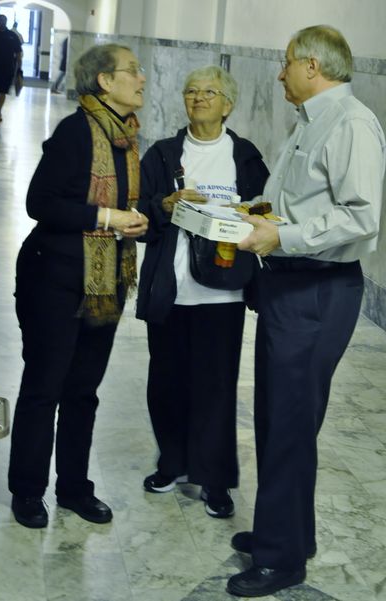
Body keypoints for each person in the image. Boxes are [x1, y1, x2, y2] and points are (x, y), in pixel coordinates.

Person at [227, 25, 385, 598]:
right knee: (276, 417)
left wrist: (282, 238)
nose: (279, 74)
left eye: (285, 64)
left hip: (317, 291)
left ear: (312, 66)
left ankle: (281, 559)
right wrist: (256, 215)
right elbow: (300, 204)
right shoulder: (312, 123)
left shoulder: (351, 125)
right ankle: (288, 531)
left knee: (291, 423)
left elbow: (361, 218)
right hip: (288, 287)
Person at [8, 43, 148, 529]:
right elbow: (39, 203)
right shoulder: (75, 131)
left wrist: (149, 214)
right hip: (55, 276)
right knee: (44, 387)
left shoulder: (128, 139)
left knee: (84, 390)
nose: (142, 78)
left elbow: (136, 205)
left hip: (106, 281)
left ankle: (73, 488)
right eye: (133, 71)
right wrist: (109, 216)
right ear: (105, 82)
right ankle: (27, 491)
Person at [136, 65, 269, 518]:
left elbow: (268, 209)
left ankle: (213, 478)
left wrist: (246, 210)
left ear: (227, 103)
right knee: (166, 382)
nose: (198, 99)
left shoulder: (245, 156)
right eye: (191, 91)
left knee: (215, 386)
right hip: (171, 287)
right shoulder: (163, 153)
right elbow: (140, 216)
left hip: (223, 291)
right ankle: (171, 461)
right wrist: (165, 204)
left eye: (209, 92)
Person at [0, 14, 22, 121]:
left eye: (4, 20)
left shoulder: (12, 35)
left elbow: (18, 53)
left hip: (7, 68)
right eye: (0, 20)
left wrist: (19, 68)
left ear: (6, 22)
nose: (2, 22)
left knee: (2, 91)